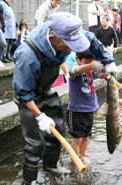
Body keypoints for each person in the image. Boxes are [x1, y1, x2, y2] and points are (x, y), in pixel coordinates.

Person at [12, 12, 116, 185]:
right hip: (28, 95)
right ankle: (28, 180)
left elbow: (91, 39)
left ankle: (51, 166)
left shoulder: (68, 32)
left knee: (58, 129)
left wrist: (108, 60)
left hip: (47, 88)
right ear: (53, 37)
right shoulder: (28, 54)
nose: (72, 48)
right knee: (35, 142)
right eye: (68, 45)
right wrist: (39, 115)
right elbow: (23, 93)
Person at [67, 49, 102, 164]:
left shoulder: (91, 70)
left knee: (86, 137)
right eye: (87, 62)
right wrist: (91, 66)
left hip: (89, 109)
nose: (90, 65)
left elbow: (101, 74)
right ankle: (75, 160)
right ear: (78, 59)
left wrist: (106, 71)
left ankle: (82, 157)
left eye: (92, 62)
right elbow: (75, 70)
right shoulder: (73, 67)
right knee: (77, 138)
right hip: (76, 110)